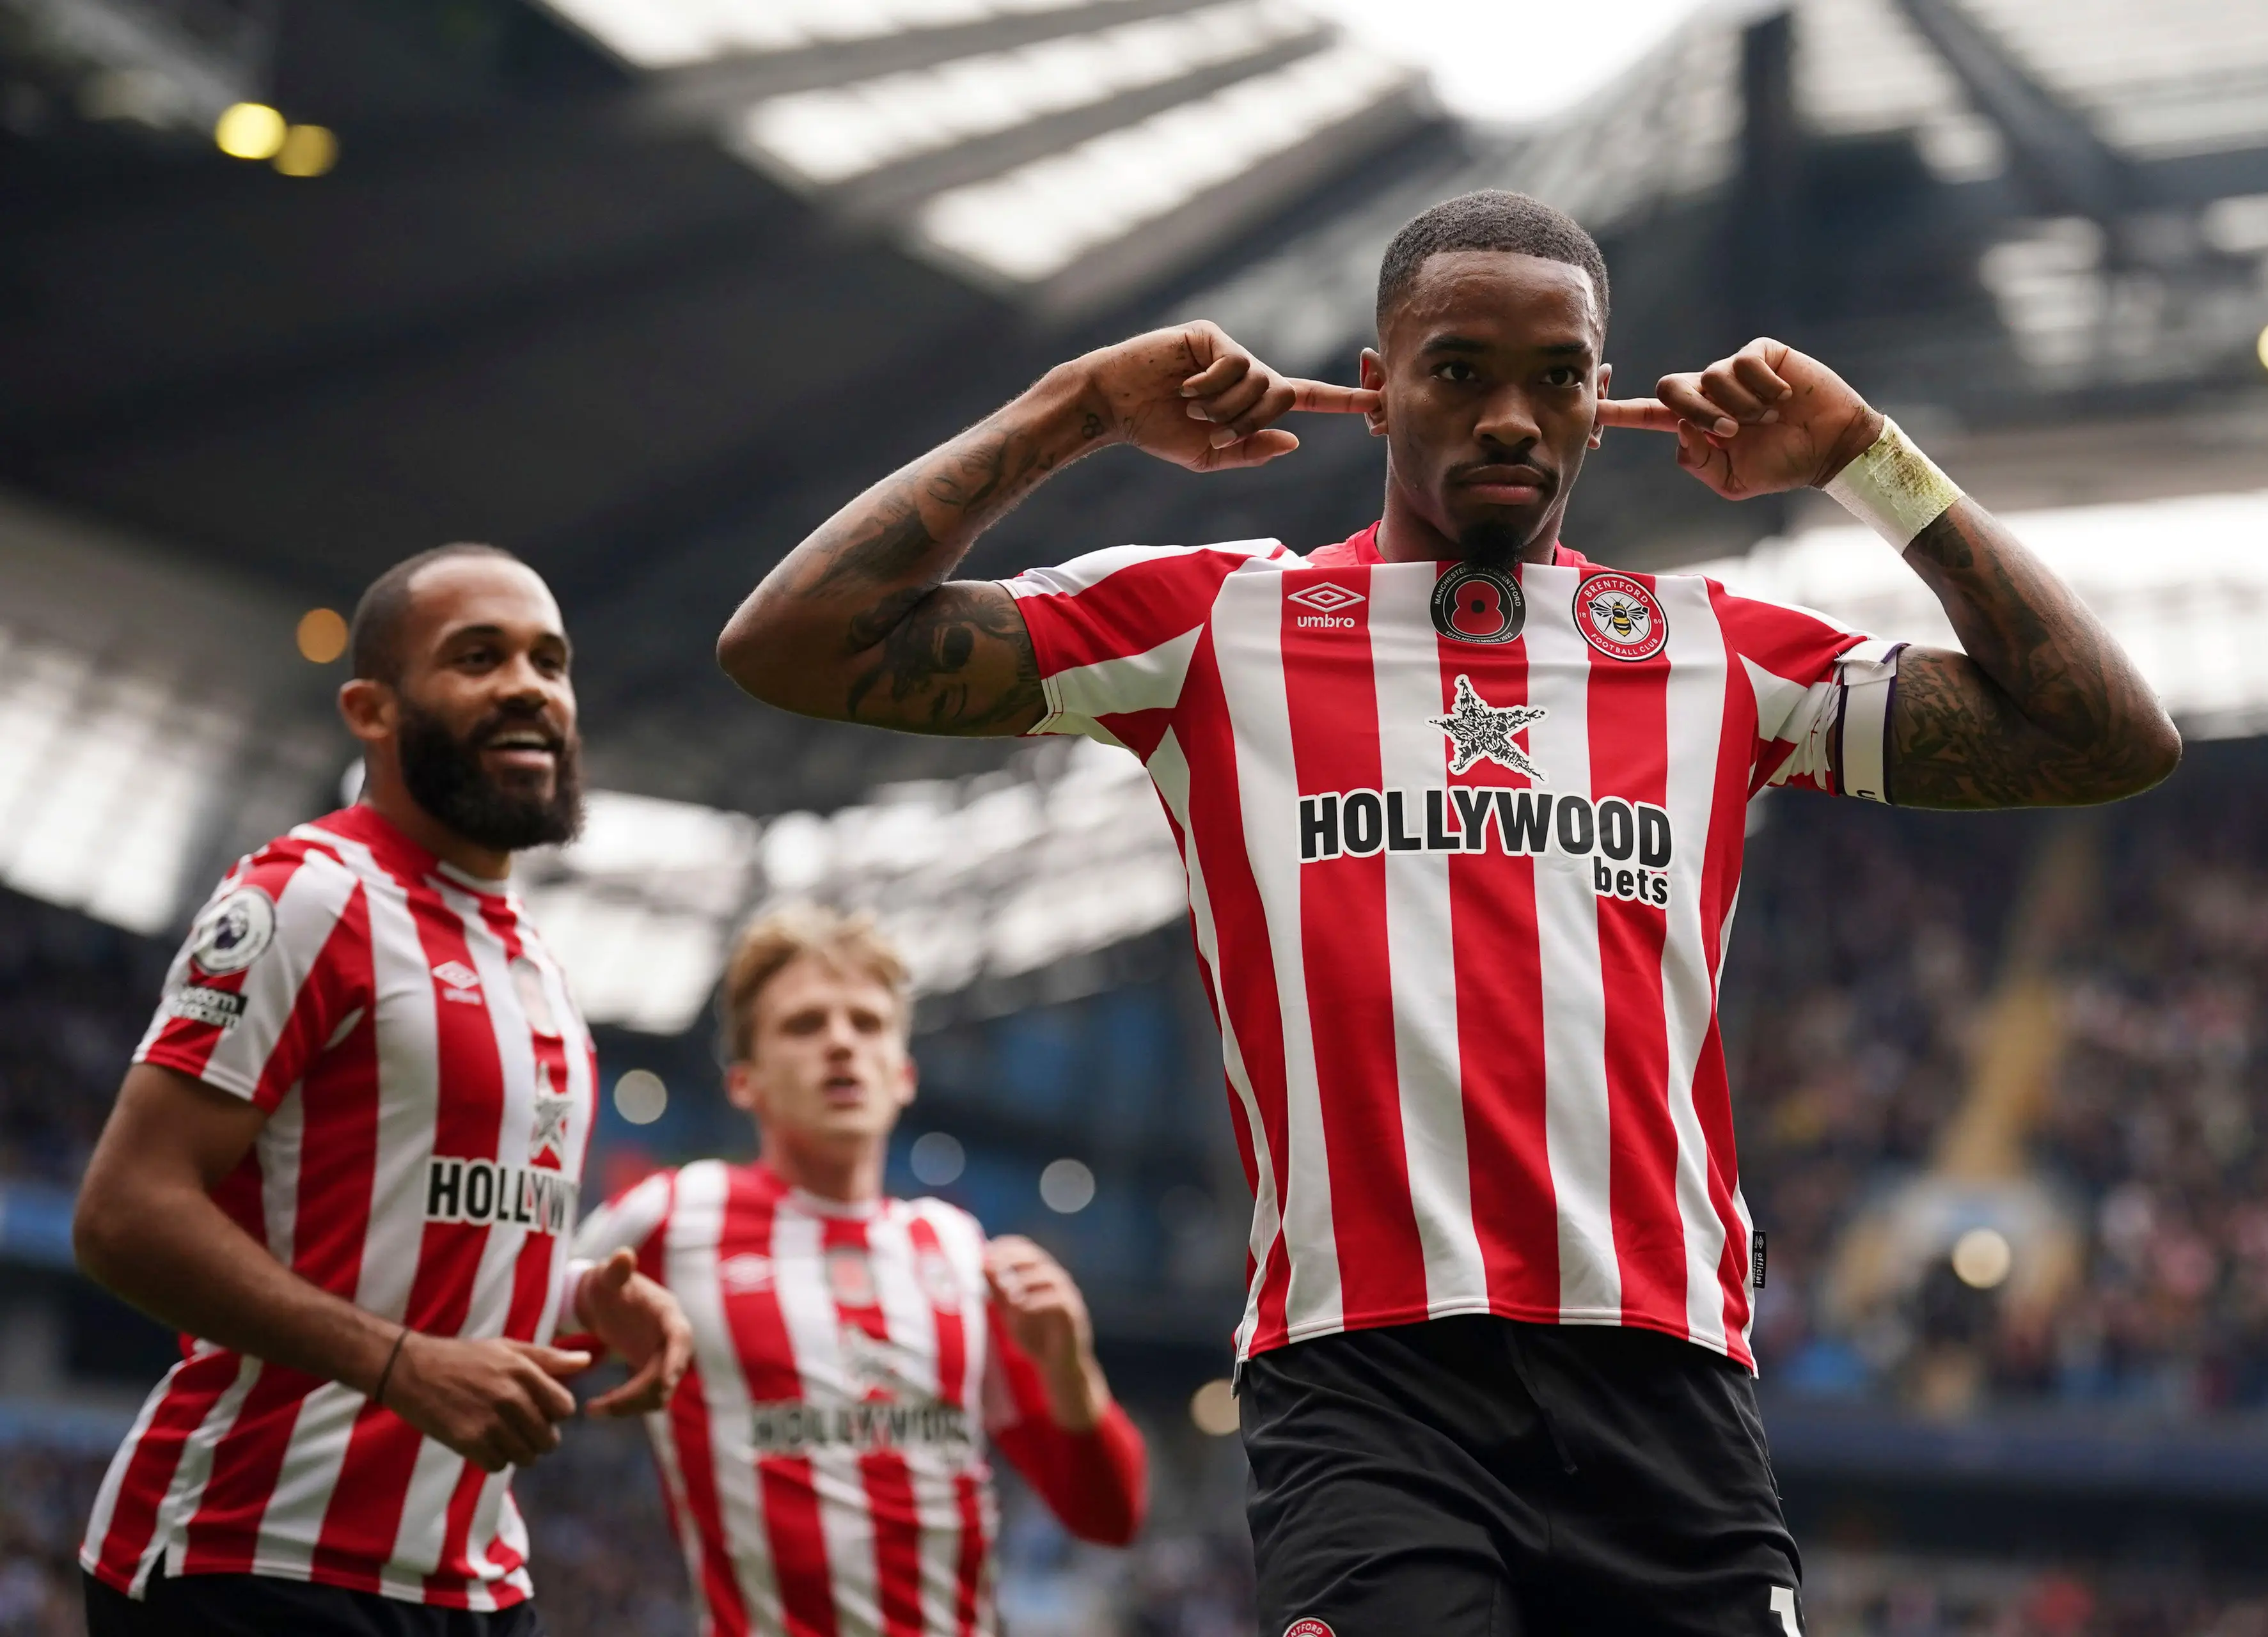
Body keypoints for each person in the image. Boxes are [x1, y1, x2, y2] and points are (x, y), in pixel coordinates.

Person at [714, 191, 2179, 1635]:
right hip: (1365, 1390)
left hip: (1660, 1381)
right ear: (1375, 388)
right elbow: (794, 641)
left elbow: (2106, 735)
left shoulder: (1709, 652)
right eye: (1459, 370)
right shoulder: (1214, 626)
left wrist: (1866, 457)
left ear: (1602, 401)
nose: (1509, 418)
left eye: (1556, 378)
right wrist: (1079, 404)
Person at [74, 543, 693, 1636]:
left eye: (550, 662)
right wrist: (400, 1366)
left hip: (474, 1583)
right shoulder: (308, 898)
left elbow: (410, 1242)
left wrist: (576, 1296)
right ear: (371, 710)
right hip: (256, 1562)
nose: (529, 687)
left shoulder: (537, 963)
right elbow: (124, 1215)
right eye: (478, 657)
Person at [574, 904, 1146, 1637]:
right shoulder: (672, 1215)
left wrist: (1070, 1367)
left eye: (868, 1024)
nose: (842, 1042)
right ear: (745, 1081)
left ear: (903, 1076)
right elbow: (502, 1361)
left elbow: (1110, 1515)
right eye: (804, 1025)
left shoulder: (959, 1249)